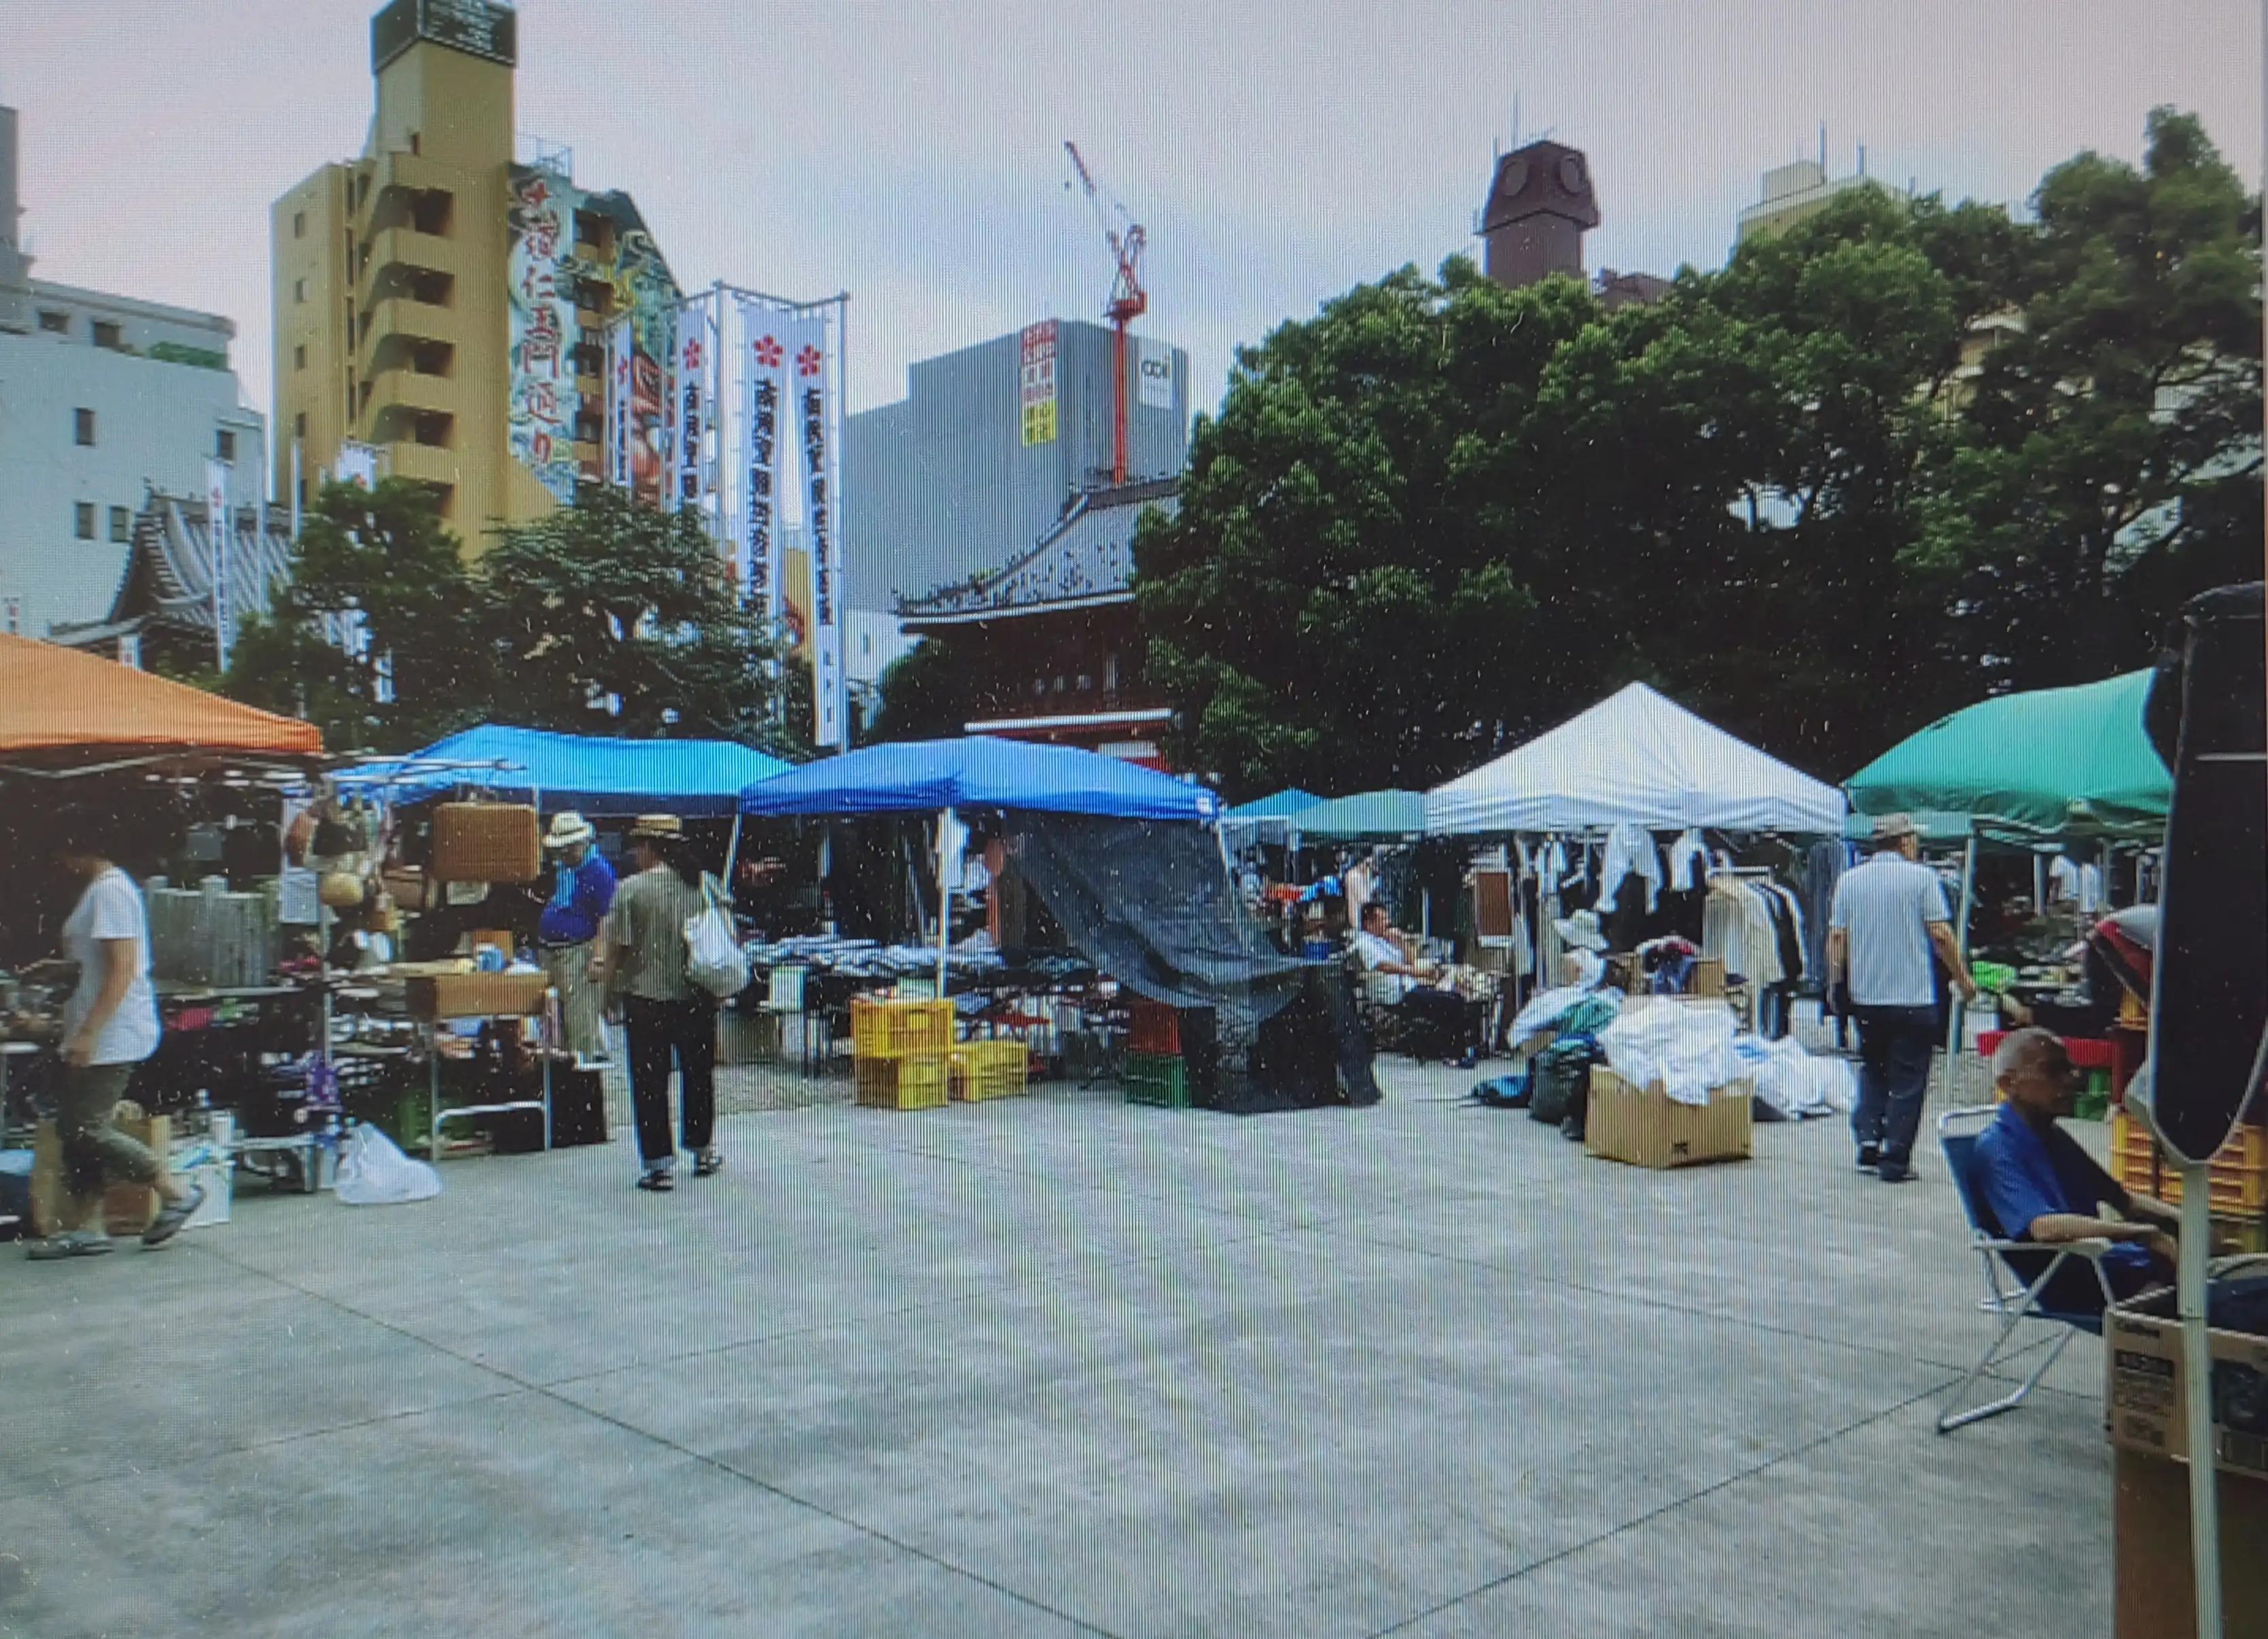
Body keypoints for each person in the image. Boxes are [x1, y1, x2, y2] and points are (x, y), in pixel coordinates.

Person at [26, 811, 201, 1258]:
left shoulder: (111, 893)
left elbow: (122, 970)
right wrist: (57, 973)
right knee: (75, 1128)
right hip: (96, 1027)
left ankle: (172, 1187)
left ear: (77, 852)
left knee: (84, 1127)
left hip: (113, 1031)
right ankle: (87, 1225)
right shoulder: (101, 893)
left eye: (63, 856)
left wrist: (88, 1033)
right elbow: (97, 964)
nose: (60, 866)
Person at [1971, 1027, 2178, 1312]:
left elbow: (2122, 1200)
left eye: (2070, 1068)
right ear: (2010, 1083)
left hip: (2102, 1262)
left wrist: (2185, 1220)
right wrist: (2139, 1233)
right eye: (2054, 1071)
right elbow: (2044, 1226)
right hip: (2073, 1278)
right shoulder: (1996, 1148)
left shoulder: (2053, 1136)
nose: (2073, 1079)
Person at [1827, 813, 1979, 1182]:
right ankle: (1895, 1158)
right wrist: (1964, 979)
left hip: (1867, 997)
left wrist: (1835, 986)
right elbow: (1941, 935)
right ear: (1906, 842)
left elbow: (1836, 938)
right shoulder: (1922, 879)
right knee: (1908, 1081)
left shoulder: (1849, 881)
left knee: (1874, 1070)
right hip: (1913, 997)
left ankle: (1867, 1142)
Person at [590, 815, 726, 1192]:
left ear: (649, 847)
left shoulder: (632, 889)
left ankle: (658, 1165)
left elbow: (616, 948)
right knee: (698, 1077)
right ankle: (702, 1151)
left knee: (649, 1083)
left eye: (637, 847)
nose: (634, 854)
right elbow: (728, 934)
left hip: (645, 1001)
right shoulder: (703, 884)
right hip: (697, 996)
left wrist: (606, 997)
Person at [1351, 901, 1481, 1068]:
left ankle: (1454, 1050)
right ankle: (1454, 1054)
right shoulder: (1365, 943)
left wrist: (1401, 941)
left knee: (1455, 996)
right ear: (1369, 923)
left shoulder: (1383, 941)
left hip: (1409, 987)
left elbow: (1412, 961)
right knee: (1452, 1003)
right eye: (1382, 919)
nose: (1387, 923)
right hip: (1396, 994)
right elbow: (1385, 967)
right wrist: (1416, 973)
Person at [535, 813, 615, 1066]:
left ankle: (586, 1072)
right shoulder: (566, 868)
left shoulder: (599, 872)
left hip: (578, 953)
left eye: (569, 848)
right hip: (554, 952)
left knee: (581, 1020)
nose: (564, 853)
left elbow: (608, 919)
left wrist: (599, 958)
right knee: (559, 1021)